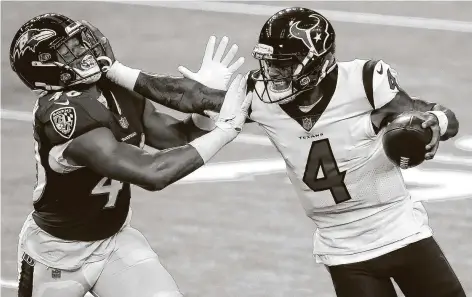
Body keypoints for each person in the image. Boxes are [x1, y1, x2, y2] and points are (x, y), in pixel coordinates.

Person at [105, 7, 466, 297]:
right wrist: (115, 71)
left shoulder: (365, 81)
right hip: (342, 250)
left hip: (402, 231)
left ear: (317, 62)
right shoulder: (258, 94)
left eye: (284, 64)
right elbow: (190, 97)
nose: (272, 73)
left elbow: (436, 115)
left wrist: (432, 123)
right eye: (270, 62)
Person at [10, 13, 252, 297]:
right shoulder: (63, 113)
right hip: (57, 254)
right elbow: (152, 173)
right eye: (70, 49)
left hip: (114, 242)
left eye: (80, 41)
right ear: (47, 67)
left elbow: (178, 137)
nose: (85, 49)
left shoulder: (113, 89)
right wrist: (223, 132)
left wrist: (204, 106)